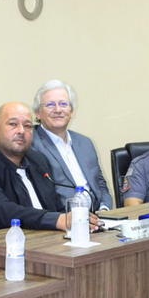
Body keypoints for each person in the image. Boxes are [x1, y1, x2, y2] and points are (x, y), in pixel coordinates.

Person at [0, 101, 100, 232]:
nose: (21, 131)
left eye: (27, 126)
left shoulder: (37, 161)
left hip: (46, 240)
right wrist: (57, 220)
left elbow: (55, 206)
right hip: (1, 245)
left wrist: (77, 218)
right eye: (13, 124)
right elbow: (2, 211)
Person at [30, 80, 113, 212]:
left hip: (97, 216)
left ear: (71, 111)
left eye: (63, 104)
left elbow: (100, 185)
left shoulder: (85, 143)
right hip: (62, 219)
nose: (58, 110)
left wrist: (104, 210)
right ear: (38, 113)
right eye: (50, 105)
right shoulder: (31, 144)